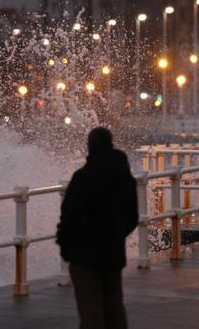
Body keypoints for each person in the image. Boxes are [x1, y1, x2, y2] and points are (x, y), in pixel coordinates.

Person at [57, 127, 138, 329]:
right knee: (114, 307)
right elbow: (132, 216)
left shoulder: (83, 177)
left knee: (90, 309)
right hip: (113, 251)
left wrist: (66, 246)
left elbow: (69, 216)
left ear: (90, 145)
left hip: (84, 255)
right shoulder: (124, 176)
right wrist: (116, 234)